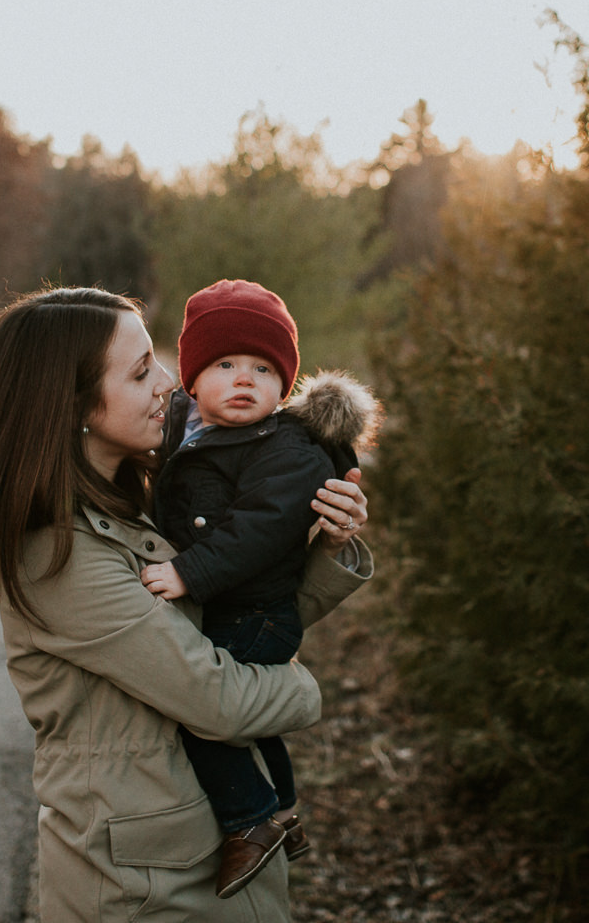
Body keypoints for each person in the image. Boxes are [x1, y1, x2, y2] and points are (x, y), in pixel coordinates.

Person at [0, 286, 372, 922]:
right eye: (142, 371)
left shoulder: (147, 489)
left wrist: (326, 544)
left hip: (199, 852)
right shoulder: (58, 554)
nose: (171, 382)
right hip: (141, 886)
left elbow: (233, 623)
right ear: (76, 404)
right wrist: (305, 693)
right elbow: (216, 698)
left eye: (158, 360)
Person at [138, 279, 382, 898]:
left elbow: (257, 531)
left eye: (263, 368)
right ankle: (283, 811)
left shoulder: (290, 451)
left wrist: (188, 573)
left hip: (255, 614)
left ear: (285, 386)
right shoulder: (181, 428)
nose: (244, 379)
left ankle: (249, 818)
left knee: (204, 712)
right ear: (192, 379)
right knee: (249, 726)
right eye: (224, 364)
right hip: (237, 607)